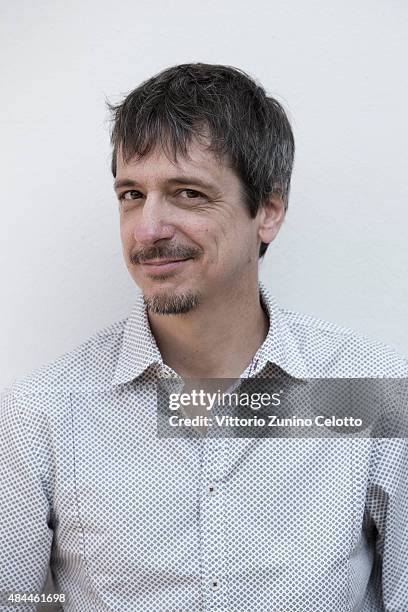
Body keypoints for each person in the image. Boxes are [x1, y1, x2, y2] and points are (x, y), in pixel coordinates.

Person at [1, 62, 407, 612]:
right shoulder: (43, 413)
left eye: (188, 193)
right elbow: (16, 601)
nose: (148, 229)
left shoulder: (373, 394)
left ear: (268, 209)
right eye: (130, 195)